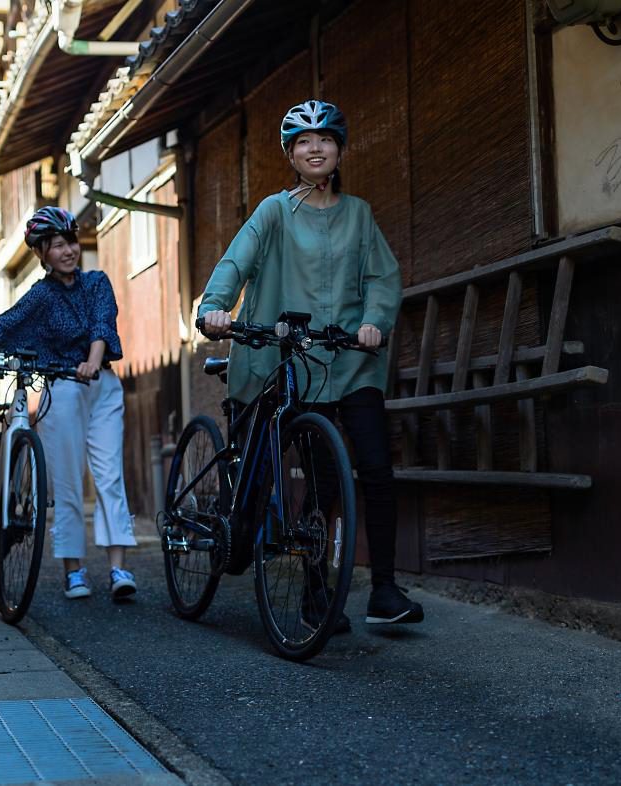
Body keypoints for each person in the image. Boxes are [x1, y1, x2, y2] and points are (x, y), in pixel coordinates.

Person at [197, 99, 423, 629]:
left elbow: (382, 277)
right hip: (290, 358)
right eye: (303, 141)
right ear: (291, 155)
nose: (315, 148)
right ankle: (316, 592)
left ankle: (385, 590)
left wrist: (375, 320)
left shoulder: (359, 214)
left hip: (350, 358)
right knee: (318, 481)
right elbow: (236, 261)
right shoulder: (274, 211)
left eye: (325, 139)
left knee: (376, 469)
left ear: (339, 150)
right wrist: (215, 308)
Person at [0, 206, 138, 601]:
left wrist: (92, 360)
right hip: (63, 390)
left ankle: (119, 568)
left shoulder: (97, 282)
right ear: (40, 253)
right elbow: (3, 328)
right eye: (57, 245)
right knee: (67, 482)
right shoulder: (40, 296)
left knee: (110, 477)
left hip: (102, 386)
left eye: (71, 241)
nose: (68, 250)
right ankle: (74, 570)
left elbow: (103, 324)